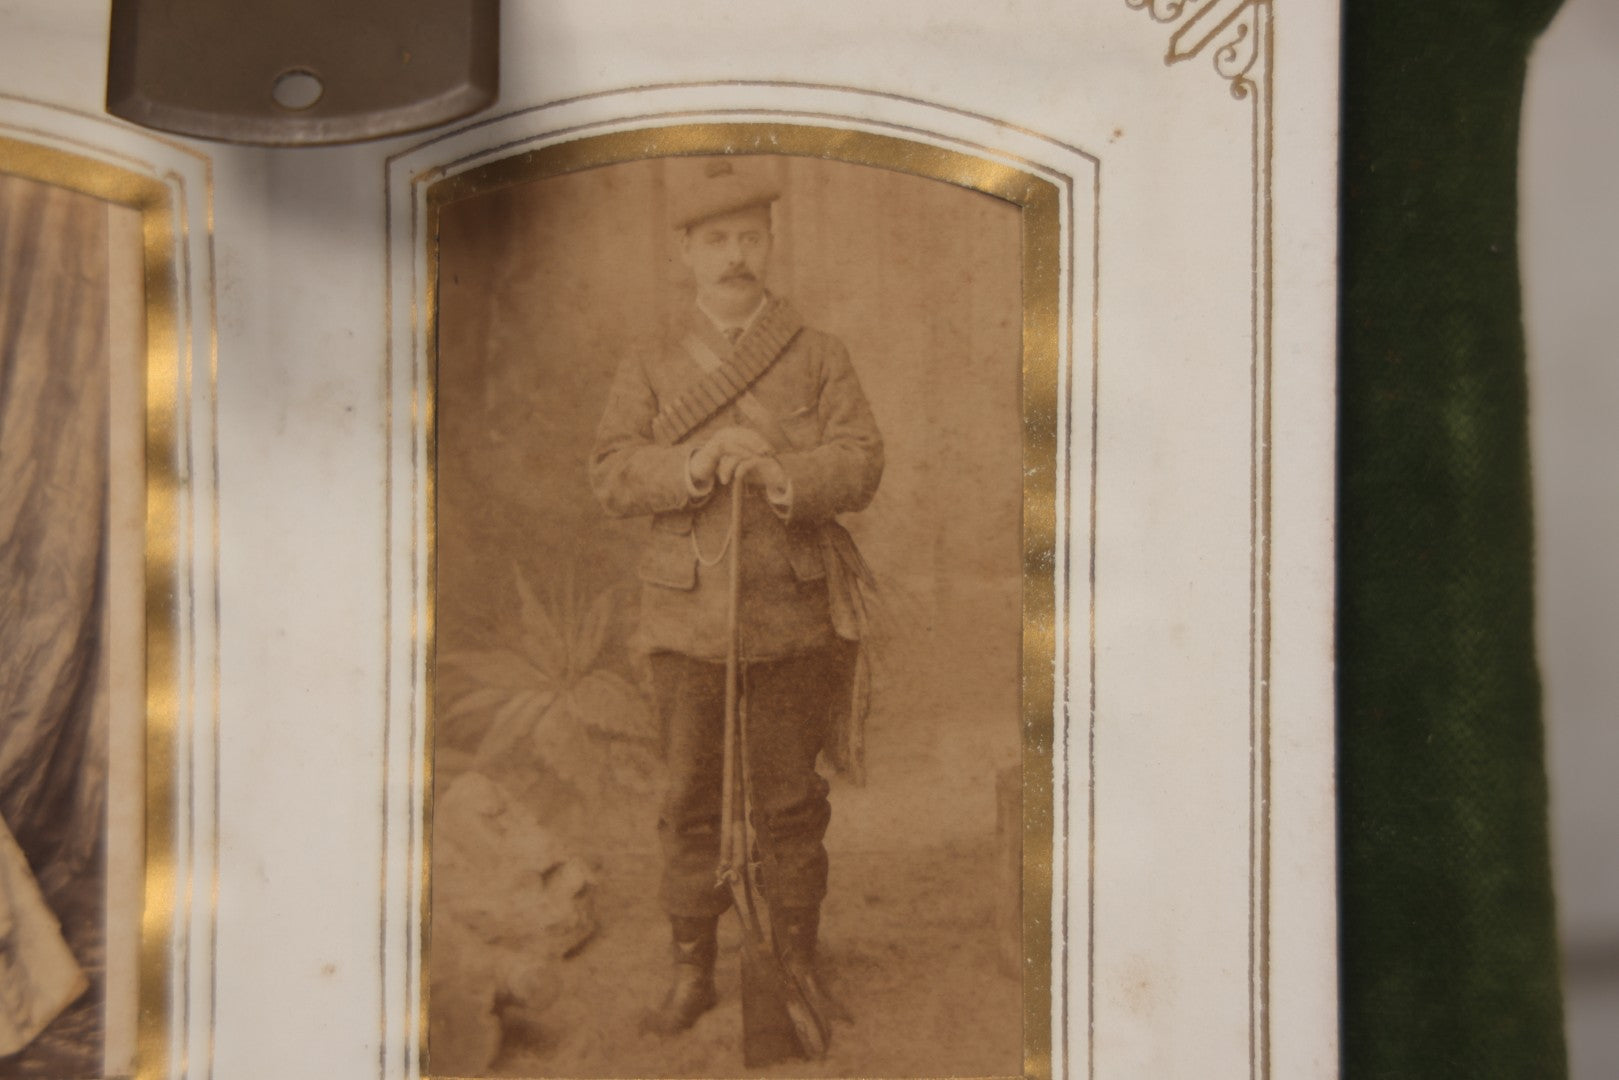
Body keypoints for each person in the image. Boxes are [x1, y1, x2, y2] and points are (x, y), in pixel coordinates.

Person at [589, 157, 884, 1042]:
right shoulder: (648, 361)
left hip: (791, 616)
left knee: (791, 801)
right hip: (683, 621)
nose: (734, 256)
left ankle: (794, 960)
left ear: (769, 243)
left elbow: (861, 459)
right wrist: (692, 463)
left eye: (749, 237)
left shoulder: (819, 354)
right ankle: (692, 969)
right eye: (715, 240)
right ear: (686, 251)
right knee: (688, 800)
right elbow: (611, 472)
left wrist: (783, 471)